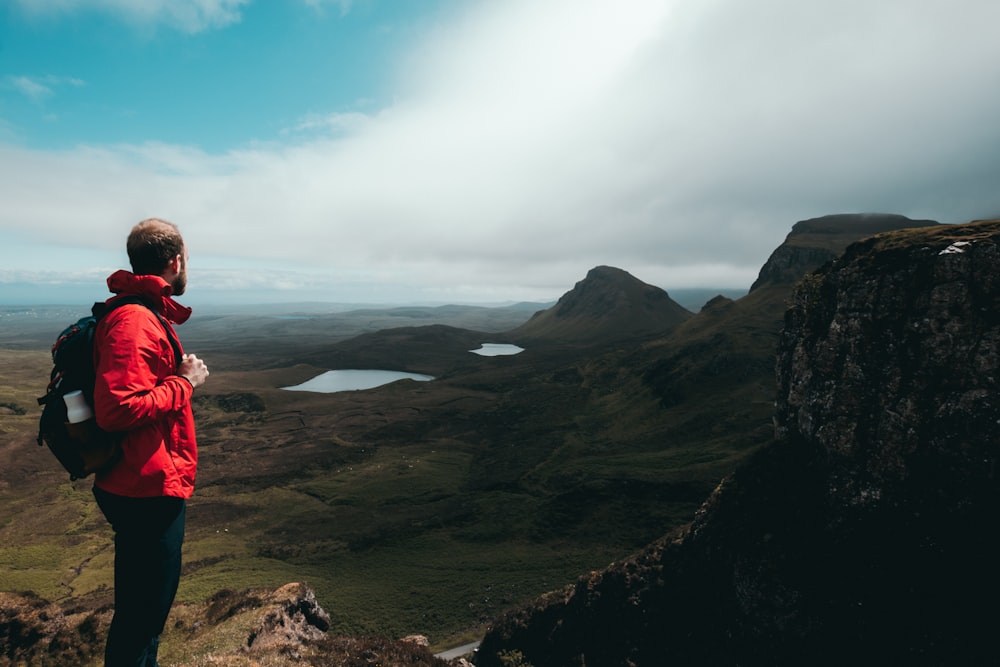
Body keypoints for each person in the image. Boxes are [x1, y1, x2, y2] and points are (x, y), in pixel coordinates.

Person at [91, 218, 209, 666]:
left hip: (144, 482)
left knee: (144, 616)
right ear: (175, 261)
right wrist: (186, 383)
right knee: (140, 620)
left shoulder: (142, 313)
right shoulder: (136, 320)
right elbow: (116, 409)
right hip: (144, 489)